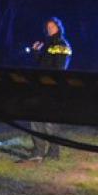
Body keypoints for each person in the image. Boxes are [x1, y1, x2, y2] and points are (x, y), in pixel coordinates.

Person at [26, 17, 72, 161]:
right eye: (48, 27)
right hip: (40, 86)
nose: (49, 29)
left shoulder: (62, 44)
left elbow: (59, 68)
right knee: (35, 118)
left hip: (53, 88)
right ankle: (38, 151)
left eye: (52, 26)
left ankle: (53, 153)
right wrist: (35, 52)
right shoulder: (46, 44)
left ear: (59, 27)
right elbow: (40, 64)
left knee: (50, 122)